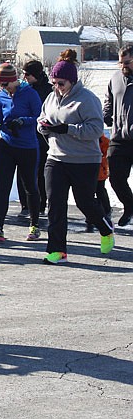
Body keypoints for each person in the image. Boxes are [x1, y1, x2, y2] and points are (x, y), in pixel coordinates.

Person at [38, 50, 114, 264]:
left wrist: (67, 129)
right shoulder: (52, 97)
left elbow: (96, 128)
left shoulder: (87, 99)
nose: (57, 87)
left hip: (84, 160)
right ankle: (57, 250)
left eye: (61, 83)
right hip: (56, 157)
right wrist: (44, 127)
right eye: (54, 83)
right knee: (55, 204)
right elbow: (42, 117)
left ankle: (105, 229)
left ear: (72, 81)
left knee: (84, 202)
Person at [0, 64, 43, 243]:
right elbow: (0, 117)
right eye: (1, 85)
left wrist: (23, 121)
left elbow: (39, 116)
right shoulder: (2, 95)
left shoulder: (30, 93)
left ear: (14, 80)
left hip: (27, 146)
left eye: (6, 84)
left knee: (29, 185)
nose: (4, 88)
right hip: (6, 144)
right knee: (1, 186)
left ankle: (35, 225)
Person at [17, 60, 52, 218]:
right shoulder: (24, 89)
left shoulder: (49, 90)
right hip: (25, 134)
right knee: (23, 171)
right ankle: (25, 204)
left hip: (42, 137)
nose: (25, 77)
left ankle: (40, 203)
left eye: (28, 74)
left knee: (40, 172)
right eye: (23, 74)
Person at [103, 45, 133, 227]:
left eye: (127, 62)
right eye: (120, 62)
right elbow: (109, 99)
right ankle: (129, 206)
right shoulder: (115, 78)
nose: (123, 66)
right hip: (120, 136)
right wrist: (107, 113)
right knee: (115, 177)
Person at [85, 134, 111, 233]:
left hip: (99, 171)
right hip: (88, 171)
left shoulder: (104, 141)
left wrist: (103, 166)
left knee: (100, 191)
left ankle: (106, 211)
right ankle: (90, 218)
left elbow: (106, 156)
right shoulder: (87, 140)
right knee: (88, 195)